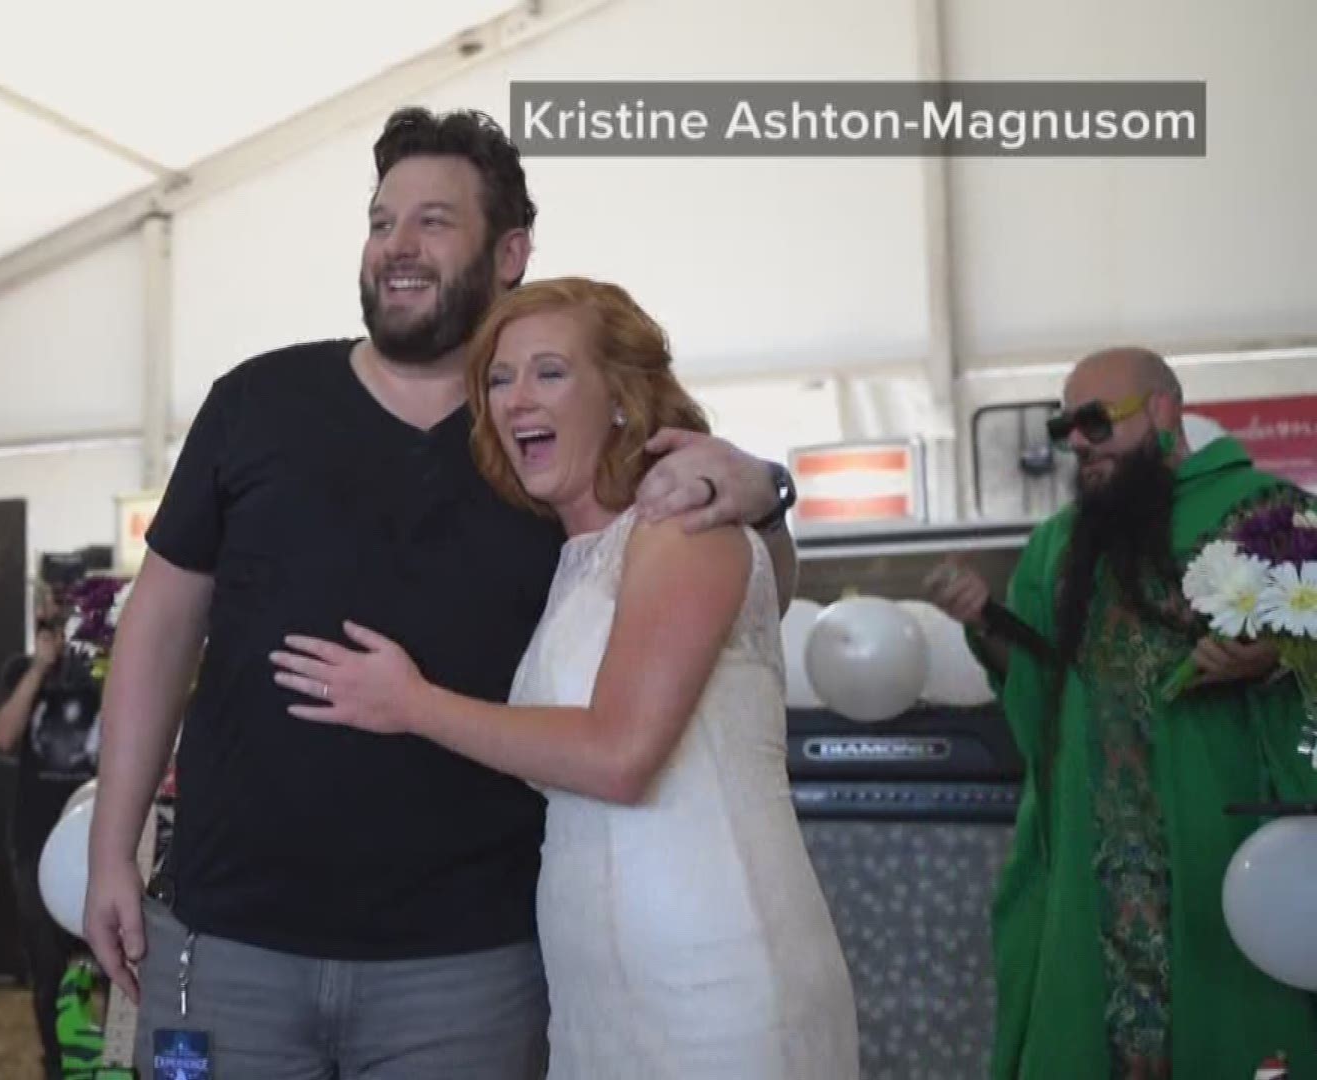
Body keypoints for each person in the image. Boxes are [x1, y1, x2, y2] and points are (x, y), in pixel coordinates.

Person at [85, 107, 803, 1078]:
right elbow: (159, 629)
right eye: (382, 222)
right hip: (230, 941)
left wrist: (764, 491)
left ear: (510, 252)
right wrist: (109, 851)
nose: (399, 246)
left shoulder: (552, 435)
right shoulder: (254, 402)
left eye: (433, 220)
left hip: (471, 960)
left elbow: (741, 590)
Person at [269, 276, 859, 1078]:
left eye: (549, 373)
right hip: (603, 993)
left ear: (620, 395)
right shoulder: (577, 557)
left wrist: (412, 703)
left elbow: (618, 753)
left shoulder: (681, 529)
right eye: (500, 380)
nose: (516, 400)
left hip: (714, 976)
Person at [922, 346, 1317, 1079]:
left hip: (1219, 848)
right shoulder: (1059, 545)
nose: (1077, 441)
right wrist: (989, 625)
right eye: (1064, 426)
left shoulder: (1270, 517)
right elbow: (1042, 686)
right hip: (1091, 852)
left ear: (1164, 412)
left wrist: (1272, 660)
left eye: (1097, 421)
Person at [0, 580, 98, 1078]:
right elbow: (5, 735)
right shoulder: (20, 670)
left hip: (102, 839)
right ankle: (57, 1067)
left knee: (121, 968)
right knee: (48, 972)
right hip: (36, 843)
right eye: (51, 612)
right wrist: (38, 668)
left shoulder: (104, 670)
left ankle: (115, 1061)